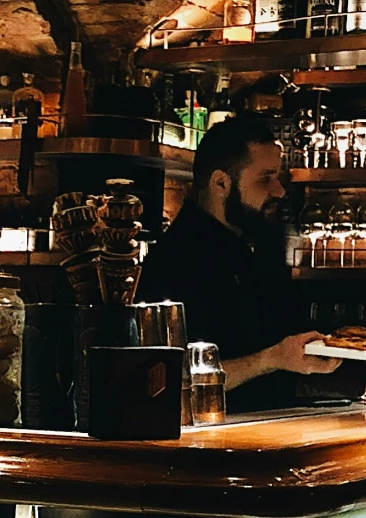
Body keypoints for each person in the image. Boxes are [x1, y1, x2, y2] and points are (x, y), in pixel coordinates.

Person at [136, 114, 336, 411]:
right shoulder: (175, 261)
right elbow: (164, 379)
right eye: (265, 178)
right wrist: (271, 359)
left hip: (267, 435)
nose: (280, 191)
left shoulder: (249, 249)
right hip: (208, 447)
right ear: (221, 183)